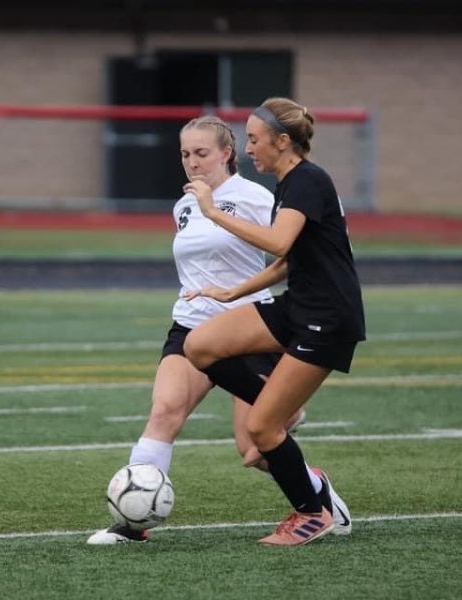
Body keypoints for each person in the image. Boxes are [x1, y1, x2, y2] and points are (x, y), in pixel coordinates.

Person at [87, 115, 351, 544]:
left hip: (247, 326)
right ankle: (133, 526)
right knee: (164, 413)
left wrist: (236, 286)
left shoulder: (255, 196)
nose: (192, 162)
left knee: (255, 449)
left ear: (227, 153)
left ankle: (316, 491)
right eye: (185, 154)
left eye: (202, 153)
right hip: (190, 325)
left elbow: (293, 248)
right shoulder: (185, 204)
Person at [182, 97, 365, 546]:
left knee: (261, 431)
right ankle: (277, 403)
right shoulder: (289, 181)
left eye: (255, 140)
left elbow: (279, 239)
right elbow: (289, 258)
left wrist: (212, 211)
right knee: (200, 345)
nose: (248, 150)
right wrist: (235, 292)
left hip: (327, 318)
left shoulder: (307, 181)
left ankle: (311, 512)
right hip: (296, 306)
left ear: (283, 142)